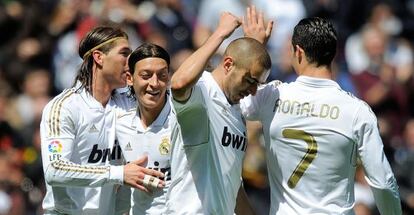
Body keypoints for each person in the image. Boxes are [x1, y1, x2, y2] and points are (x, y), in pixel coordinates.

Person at [240, 17, 402, 214]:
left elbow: (237, 98)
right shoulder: (357, 110)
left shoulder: (271, 96)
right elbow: (383, 183)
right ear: (332, 55)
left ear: (298, 52)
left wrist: (254, 48)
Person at [40, 26, 164, 215]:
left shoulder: (129, 104)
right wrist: (118, 174)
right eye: (124, 53)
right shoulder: (64, 107)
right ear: (99, 57)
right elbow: (54, 170)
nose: (130, 61)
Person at [166, 6, 273, 214]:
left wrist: (253, 46)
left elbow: (232, 186)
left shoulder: (236, 111)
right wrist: (221, 33)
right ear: (227, 64)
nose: (252, 91)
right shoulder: (203, 90)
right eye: (250, 80)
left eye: (257, 84)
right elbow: (178, 83)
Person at [115, 43, 173, 214]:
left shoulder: (184, 117)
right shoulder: (120, 122)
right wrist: (121, 175)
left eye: (162, 75)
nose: (154, 83)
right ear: (129, 79)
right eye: (146, 75)